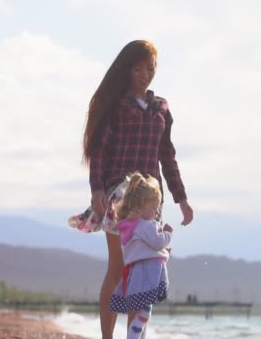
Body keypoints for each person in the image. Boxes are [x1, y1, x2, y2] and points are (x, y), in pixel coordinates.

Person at [70, 39, 194, 338]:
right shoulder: (116, 107)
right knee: (119, 268)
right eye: (138, 68)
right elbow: (99, 150)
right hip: (120, 196)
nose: (145, 74)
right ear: (127, 70)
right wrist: (97, 189)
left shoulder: (161, 108)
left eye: (150, 68)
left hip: (151, 201)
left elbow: (167, 154)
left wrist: (181, 198)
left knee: (142, 272)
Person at [108, 172, 172, 338]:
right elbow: (157, 242)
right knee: (144, 313)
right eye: (153, 207)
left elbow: (145, 249)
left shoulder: (131, 226)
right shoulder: (145, 225)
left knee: (140, 312)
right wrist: (168, 234)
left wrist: (163, 251)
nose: (156, 212)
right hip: (147, 273)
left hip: (136, 272)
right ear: (140, 205)